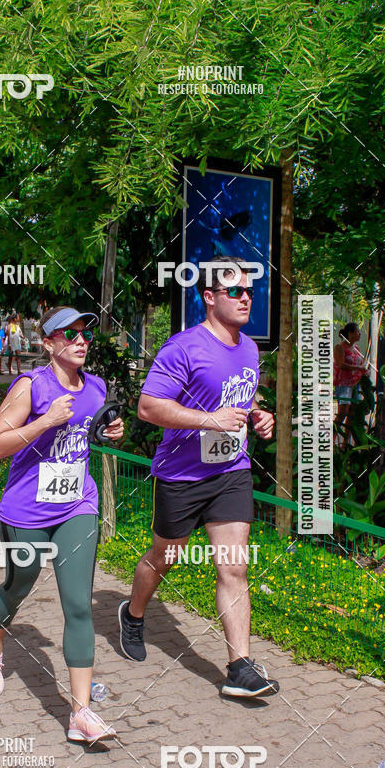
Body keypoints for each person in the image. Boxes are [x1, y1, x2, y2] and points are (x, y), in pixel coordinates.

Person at [118, 258, 280, 698]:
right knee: (163, 556)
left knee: (234, 565)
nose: (246, 297)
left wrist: (259, 417)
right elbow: (148, 408)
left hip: (231, 471)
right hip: (182, 475)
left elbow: (240, 402)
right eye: (236, 292)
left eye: (249, 291)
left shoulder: (249, 348)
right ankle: (132, 615)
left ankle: (239, 667)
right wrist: (209, 420)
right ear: (209, 298)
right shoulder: (183, 348)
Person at [0, 306, 124, 743]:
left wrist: (111, 432)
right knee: (19, 584)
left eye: (84, 333)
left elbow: (90, 432)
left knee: (78, 604)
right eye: (69, 334)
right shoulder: (31, 387)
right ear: (48, 343)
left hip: (76, 507)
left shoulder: (96, 387)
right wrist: (44, 421)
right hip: (26, 511)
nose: (81, 340)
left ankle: (80, 714)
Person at [333, 323, 368, 448]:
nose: (359, 334)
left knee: (353, 414)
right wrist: (358, 367)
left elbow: (361, 364)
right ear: (350, 333)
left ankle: (344, 444)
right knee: (343, 412)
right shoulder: (339, 348)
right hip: (344, 384)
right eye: (357, 331)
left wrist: (364, 370)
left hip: (356, 384)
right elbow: (341, 364)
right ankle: (331, 441)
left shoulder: (357, 348)